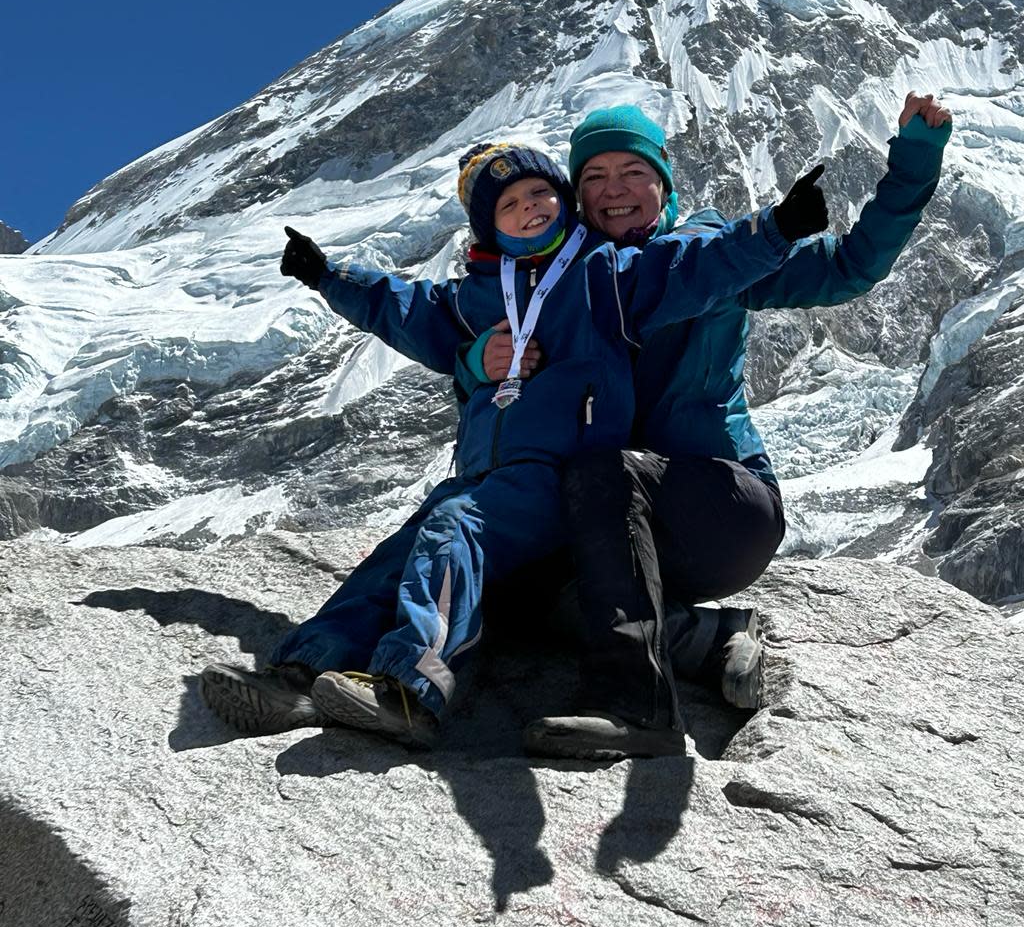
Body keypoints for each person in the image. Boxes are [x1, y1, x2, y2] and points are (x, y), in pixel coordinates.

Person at [200, 138, 824, 751]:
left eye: (541, 192)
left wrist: (777, 228)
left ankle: (413, 689)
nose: (531, 207)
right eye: (510, 204)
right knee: (395, 560)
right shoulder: (473, 297)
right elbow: (402, 309)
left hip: (553, 477)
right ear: (486, 227)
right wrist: (327, 276)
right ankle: (299, 677)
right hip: (484, 476)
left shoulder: (600, 275)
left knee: (454, 529)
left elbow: (692, 269)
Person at [459, 94, 952, 758]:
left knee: (603, 470)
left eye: (632, 172)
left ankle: (637, 709)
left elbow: (850, 267)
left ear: (662, 183)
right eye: (595, 177)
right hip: (608, 527)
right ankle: (713, 641)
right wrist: (474, 360)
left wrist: (915, 160)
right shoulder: (556, 292)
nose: (615, 191)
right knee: (509, 592)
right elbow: (483, 388)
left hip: (718, 508)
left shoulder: (712, 259)